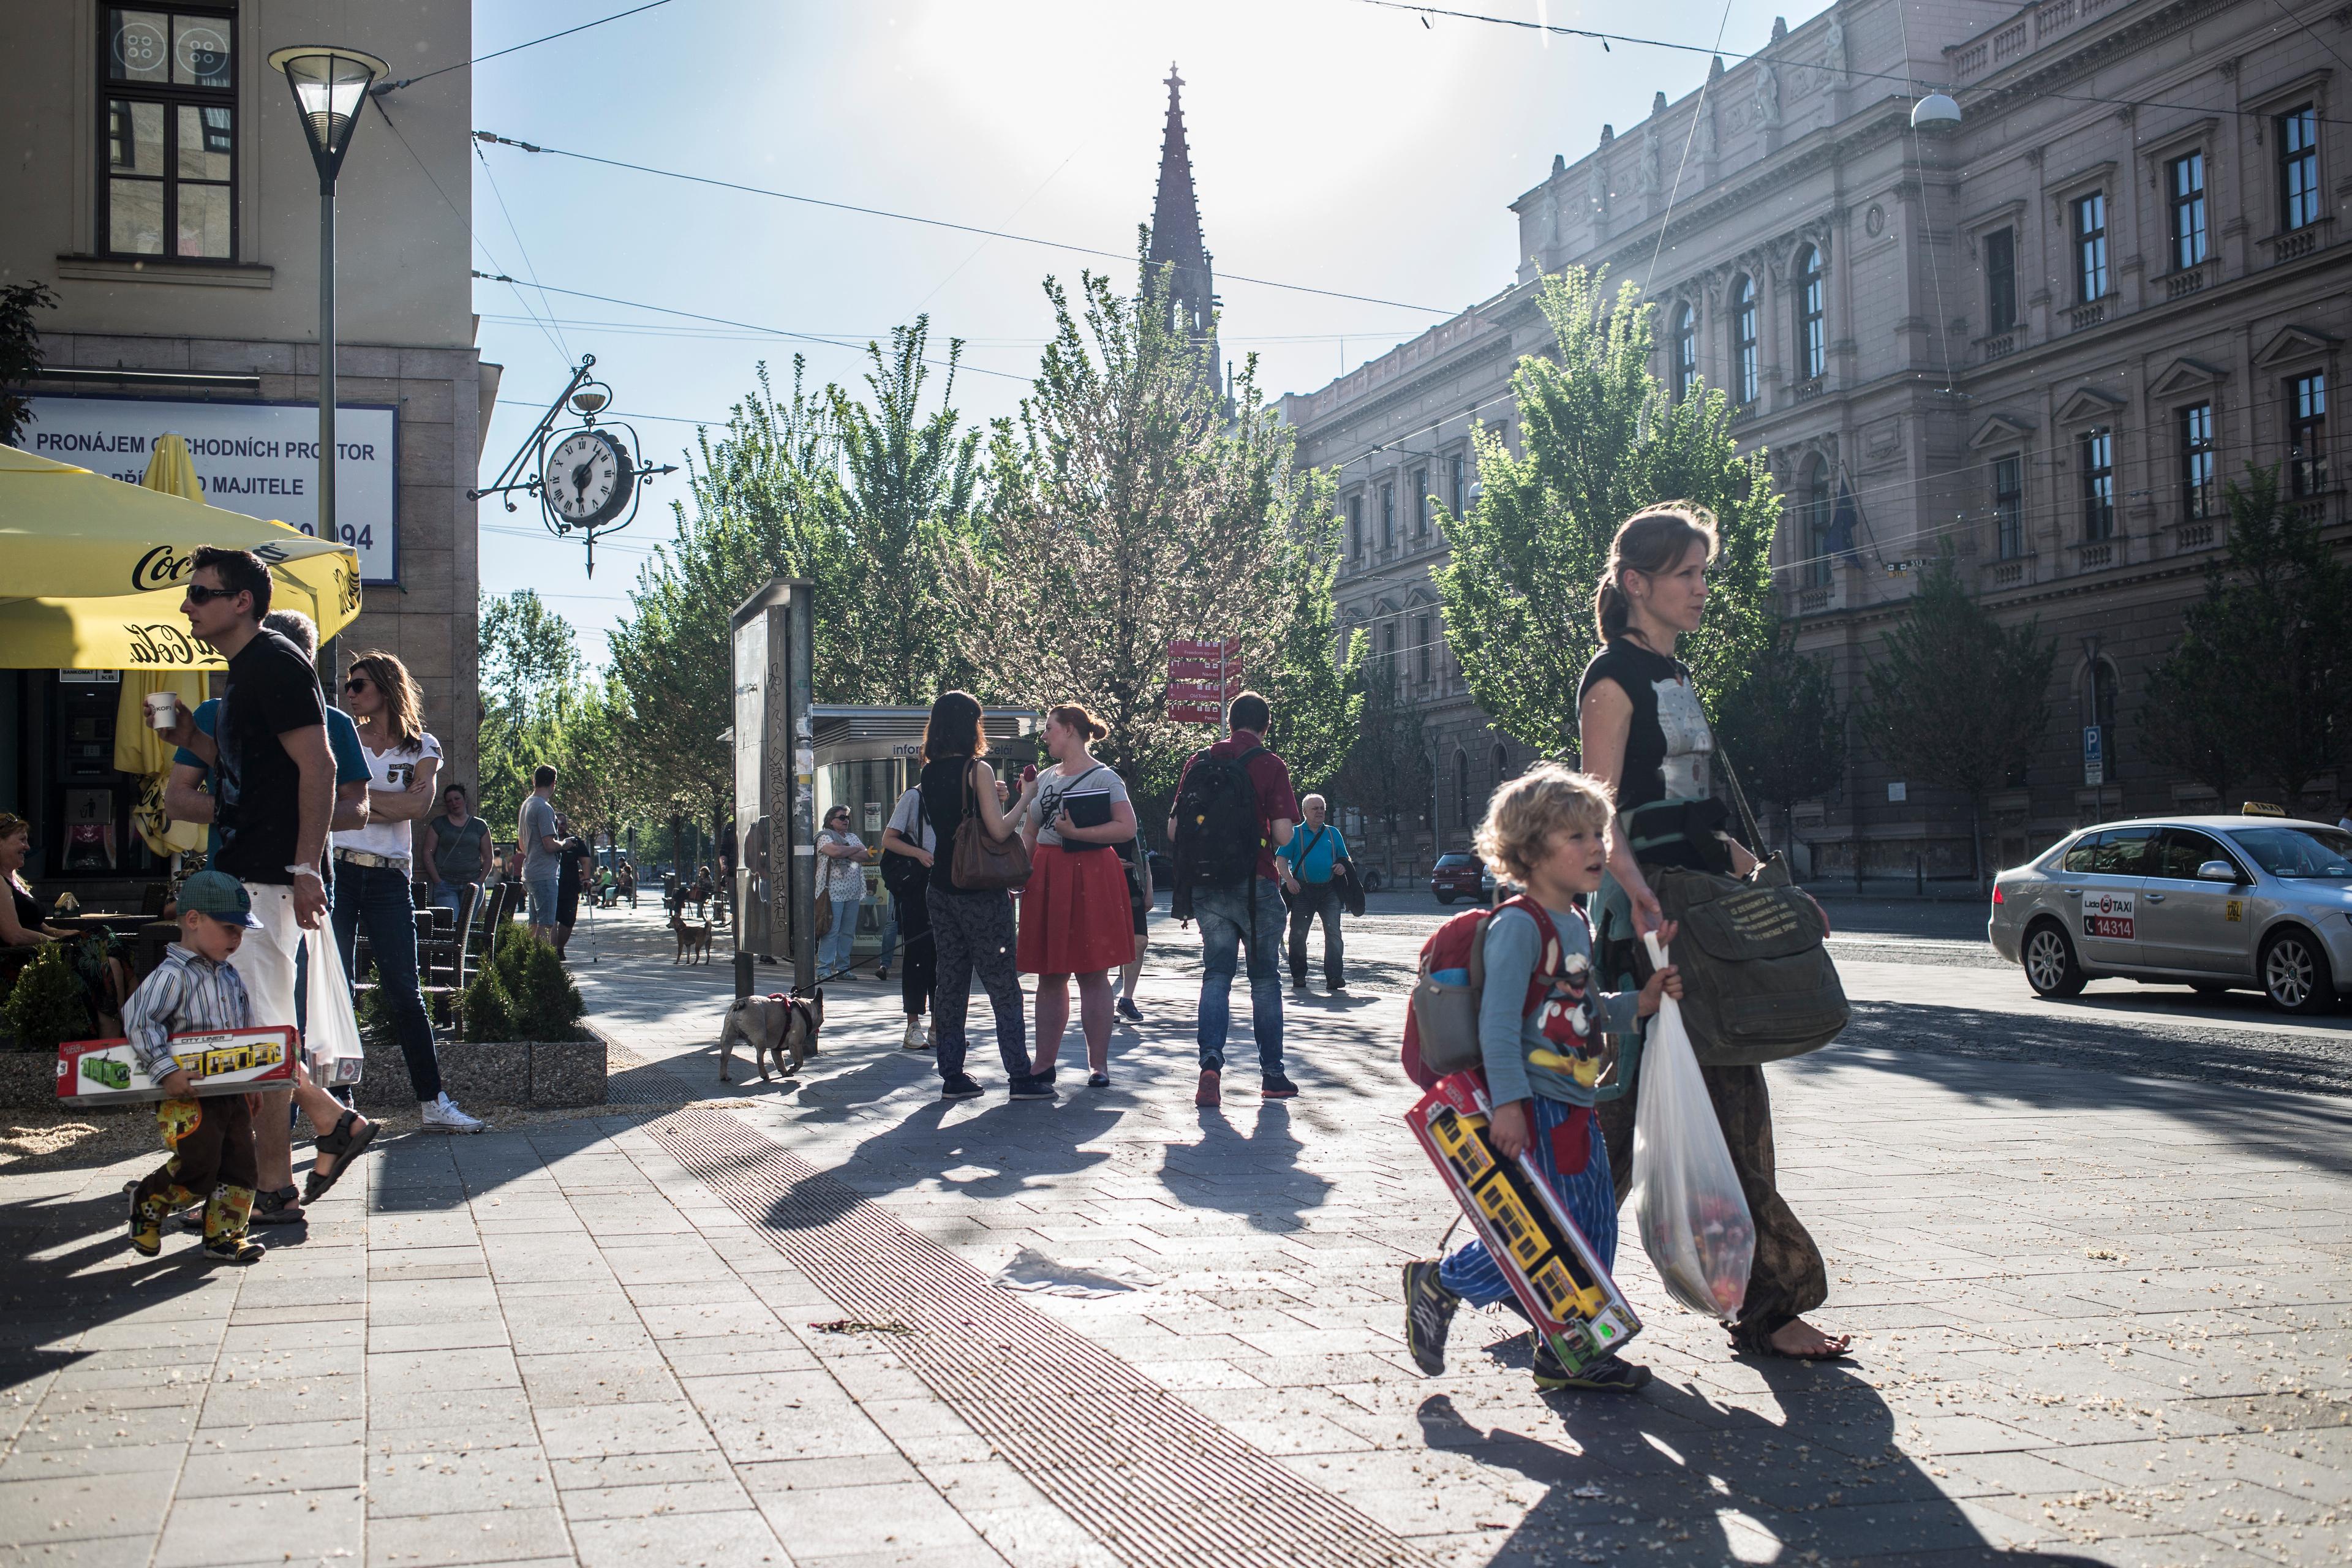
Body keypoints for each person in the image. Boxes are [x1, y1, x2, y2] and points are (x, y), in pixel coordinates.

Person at [1577, 501, 1850, 1362]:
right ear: (1637, 584)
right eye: (1688, 574)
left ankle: (1767, 1308)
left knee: (1732, 1107)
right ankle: (1522, 1270)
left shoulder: (1678, 676)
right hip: (1648, 929)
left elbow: (1696, 816)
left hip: (1699, 913)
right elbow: (1600, 811)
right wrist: (1640, 901)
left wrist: (1762, 883)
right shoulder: (1612, 678)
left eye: (1704, 572)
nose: (1702, 589)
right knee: (1612, 1131)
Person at [1401, 766, 1680, 1393]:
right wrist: (1508, 1106)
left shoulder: (1575, 923)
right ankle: (1444, 1284)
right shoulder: (1520, 926)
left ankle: (1567, 1351)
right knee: (1545, 1237)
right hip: (1537, 1106)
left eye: (1599, 835)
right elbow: (1500, 1026)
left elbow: (1576, 1006)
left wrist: (1638, 1002)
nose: (1595, 849)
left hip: (1578, 1099)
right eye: (1575, 837)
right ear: (1529, 851)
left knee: (1593, 1231)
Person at [159, 550, 375, 1226]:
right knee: (256, 1037)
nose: (188, 604)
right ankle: (318, 1133)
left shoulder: (275, 662)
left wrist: (307, 868)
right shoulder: (248, 670)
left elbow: (320, 764)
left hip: (266, 883)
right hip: (253, 877)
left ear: (243, 601)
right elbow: (260, 776)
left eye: (200, 593)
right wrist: (192, 735)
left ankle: (273, 1188)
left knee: (259, 1040)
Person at [332, 651, 483, 1134]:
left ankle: (433, 1102)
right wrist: (383, 805)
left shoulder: (423, 745)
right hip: (337, 871)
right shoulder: (342, 740)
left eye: (358, 685)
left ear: (384, 687)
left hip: (389, 877)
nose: (349, 693)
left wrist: (356, 803)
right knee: (336, 988)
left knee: (405, 991)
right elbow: (330, 803)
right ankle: (340, 1104)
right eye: (348, 685)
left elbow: (417, 808)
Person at [121, 872, 276, 1263]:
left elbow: (243, 1031)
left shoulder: (229, 976)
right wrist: (165, 1070)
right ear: (192, 920)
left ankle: (225, 1236)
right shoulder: (172, 975)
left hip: (229, 1091)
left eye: (241, 929)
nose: (236, 938)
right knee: (199, 1164)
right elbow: (139, 1019)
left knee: (242, 1165)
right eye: (228, 928)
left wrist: (251, 1082)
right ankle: (150, 1200)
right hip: (185, 1094)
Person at [1168, 690, 1298, 1108]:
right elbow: (1282, 835)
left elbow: (1174, 831)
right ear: (1266, 726)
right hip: (1257, 883)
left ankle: (1210, 1063)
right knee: (1264, 981)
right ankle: (1273, 1075)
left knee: (1216, 976)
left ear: (1229, 722)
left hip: (1209, 886)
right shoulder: (1270, 764)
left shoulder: (1199, 762)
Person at [916, 690, 1045, 1101]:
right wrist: (1026, 795)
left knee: (951, 981)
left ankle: (952, 1073)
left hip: (941, 885)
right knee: (1002, 983)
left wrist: (995, 798)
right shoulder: (979, 769)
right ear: (971, 724)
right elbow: (1001, 831)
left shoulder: (929, 772)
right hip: (979, 890)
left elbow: (962, 818)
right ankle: (1020, 1075)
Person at [1018, 705, 1138, 1090]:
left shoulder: (1105, 777)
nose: (1045, 736)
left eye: (1050, 729)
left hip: (1091, 873)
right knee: (1050, 974)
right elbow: (1030, 834)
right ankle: (1044, 1064)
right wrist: (1017, 872)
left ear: (1070, 730)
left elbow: (1126, 828)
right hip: (1048, 873)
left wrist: (1078, 834)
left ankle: (1098, 1066)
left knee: (1092, 972)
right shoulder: (1046, 778)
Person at [879, 782, 938, 1051]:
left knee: (945, 958)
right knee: (917, 955)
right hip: (919, 885)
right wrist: (920, 853)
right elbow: (888, 839)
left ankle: (940, 1026)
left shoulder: (962, 794)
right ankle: (912, 1026)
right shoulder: (915, 797)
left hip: (948, 884)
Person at [1277, 793, 1350, 994]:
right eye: (1315, 808)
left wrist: (1342, 866)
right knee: (1298, 936)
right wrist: (1289, 880)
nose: (1319, 812)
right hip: (1302, 891)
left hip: (1329, 891)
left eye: (1322, 808)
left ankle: (1334, 977)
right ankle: (1299, 975)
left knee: (1334, 934)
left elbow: (1345, 859)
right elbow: (1281, 861)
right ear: (1305, 812)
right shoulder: (1294, 834)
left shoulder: (1333, 833)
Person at [1111, 766, 1152, 1023]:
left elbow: (1143, 854)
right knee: (1106, 945)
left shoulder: (1132, 818)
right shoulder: (1093, 817)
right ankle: (1103, 1001)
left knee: (1140, 941)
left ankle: (1127, 999)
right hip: (1102, 886)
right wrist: (1110, 862)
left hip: (1132, 885)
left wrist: (1148, 889)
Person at [0, 812, 74, 945]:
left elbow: (44, 929)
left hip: (41, 952)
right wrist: (61, 943)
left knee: (109, 943)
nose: (28, 847)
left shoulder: (14, 880)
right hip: (22, 959)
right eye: (22, 840)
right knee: (110, 959)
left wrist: (76, 935)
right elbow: (14, 935)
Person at [424, 783, 494, 917]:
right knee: (452, 925)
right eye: (449, 801)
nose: (454, 803)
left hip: (472, 884)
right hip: (446, 884)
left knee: (467, 926)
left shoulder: (479, 825)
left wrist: (480, 881)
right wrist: (437, 880)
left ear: (464, 799)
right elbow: (428, 852)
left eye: (457, 799)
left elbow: (488, 857)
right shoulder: (439, 824)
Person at [815, 807, 867, 978]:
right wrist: (853, 850)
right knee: (831, 931)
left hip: (853, 892)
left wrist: (845, 850)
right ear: (831, 820)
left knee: (847, 932)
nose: (846, 821)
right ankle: (824, 969)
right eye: (842, 817)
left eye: (847, 818)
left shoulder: (852, 837)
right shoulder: (825, 837)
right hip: (832, 893)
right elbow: (834, 852)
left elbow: (865, 856)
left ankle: (843, 968)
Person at [518, 766, 562, 943]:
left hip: (530, 871)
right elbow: (550, 845)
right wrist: (565, 844)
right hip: (545, 873)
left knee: (534, 924)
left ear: (533, 780)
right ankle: (540, 964)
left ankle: (527, 959)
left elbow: (521, 844)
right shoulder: (544, 808)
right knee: (546, 925)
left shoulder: (527, 804)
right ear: (554, 783)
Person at [554, 823, 595, 957]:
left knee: (568, 921)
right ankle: (552, 951)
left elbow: (585, 861)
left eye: (563, 823)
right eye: (557, 823)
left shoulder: (575, 841)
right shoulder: (547, 840)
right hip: (551, 886)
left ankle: (560, 948)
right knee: (551, 920)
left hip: (570, 887)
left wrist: (587, 879)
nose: (560, 826)